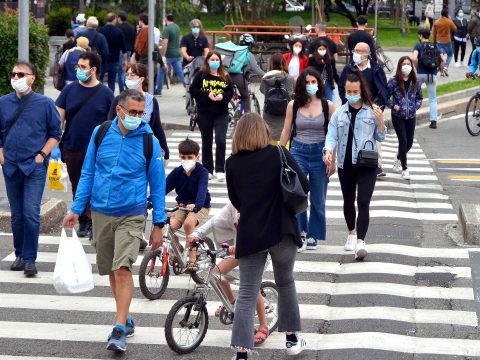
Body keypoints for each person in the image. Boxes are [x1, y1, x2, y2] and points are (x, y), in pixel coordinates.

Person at [63, 89, 167, 353]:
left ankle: (119, 328)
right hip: (100, 211)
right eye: (132, 112)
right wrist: (76, 209)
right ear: (119, 110)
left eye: (140, 113)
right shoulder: (100, 133)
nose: (137, 118)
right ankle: (126, 316)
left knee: (123, 268)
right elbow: (87, 172)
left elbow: (157, 183)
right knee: (111, 269)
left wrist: (158, 223)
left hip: (131, 213)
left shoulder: (149, 141)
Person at [226, 113, 309, 359]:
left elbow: (235, 200)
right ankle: (292, 340)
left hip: (251, 233)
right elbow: (303, 184)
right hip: (283, 229)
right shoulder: (278, 154)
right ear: (263, 132)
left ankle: (241, 352)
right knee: (286, 283)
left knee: (247, 293)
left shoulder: (232, 163)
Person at [0, 61, 61, 276]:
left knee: (31, 213)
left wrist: (42, 155)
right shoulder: (3, 103)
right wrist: (1, 154)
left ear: (32, 78)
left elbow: (55, 133)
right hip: (11, 165)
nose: (16, 78)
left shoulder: (44, 103)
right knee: (16, 215)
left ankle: (30, 259)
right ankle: (19, 254)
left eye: (20, 74)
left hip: (34, 166)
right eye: (13, 74)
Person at [188, 201, 271, 346]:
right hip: (239, 248)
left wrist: (239, 246)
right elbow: (215, 221)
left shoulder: (256, 206)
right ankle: (231, 303)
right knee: (216, 272)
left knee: (251, 286)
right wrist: (195, 234)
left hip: (260, 250)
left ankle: (263, 326)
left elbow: (259, 234)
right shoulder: (233, 207)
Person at [323, 71, 386, 261]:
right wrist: (327, 151)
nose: (352, 94)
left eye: (355, 91)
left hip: (367, 163)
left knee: (363, 202)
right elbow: (331, 135)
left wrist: (381, 120)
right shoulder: (340, 113)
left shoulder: (372, 110)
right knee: (348, 200)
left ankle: (361, 241)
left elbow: (380, 136)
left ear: (361, 90)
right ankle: (351, 232)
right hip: (345, 163)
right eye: (348, 91)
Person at [56, 51, 115, 238]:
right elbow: (59, 120)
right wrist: (55, 144)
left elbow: (111, 124)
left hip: (98, 149)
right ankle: (82, 219)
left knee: (97, 185)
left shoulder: (106, 94)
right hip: (73, 146)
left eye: (83, 67)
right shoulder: (69, 90)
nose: (78, 70)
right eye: (77, 67)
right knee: (77, 184)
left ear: (93, 69)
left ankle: (94, 220)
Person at [279, 67, 335, 251]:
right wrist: (279, 153)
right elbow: (286, 130)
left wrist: (332, 160)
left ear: (319, 83)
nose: (311, 85)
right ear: (301, 85)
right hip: (298, 151)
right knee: (298, 193)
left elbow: (333, 135)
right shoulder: (293, 105)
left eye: (314, 82)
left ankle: (314, 235)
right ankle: (300, 232)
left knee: (318, 197)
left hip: (321, 153)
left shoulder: (328, 106)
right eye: (307, 82)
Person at [339, 42, 388, 177]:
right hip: (352, 106)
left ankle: (376, 165)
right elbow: (341, 87)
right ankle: (352, 161)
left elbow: (383, 88)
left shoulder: (376, 69)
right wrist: (346, 102)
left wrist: (378, 106)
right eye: (355, 50)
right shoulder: (349, 68)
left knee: (372, 136)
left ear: (367, 54)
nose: (357, 54)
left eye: (360, 51)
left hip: (371, 108)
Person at [107, 63, 169, 163]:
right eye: (127, 74)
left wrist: (165, 153)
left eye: (132, 75)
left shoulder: (151, 101)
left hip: (144, 148)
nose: (128, 78)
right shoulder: (119, 99)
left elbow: (157, 128)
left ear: (141, 79)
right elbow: (110, 125)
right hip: (121, 148)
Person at [165, 138, 211, 273]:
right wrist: (150, 200)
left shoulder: (202, 172)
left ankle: (192, 259)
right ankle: (178, 247)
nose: (186, 159)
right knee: (168, 227)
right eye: (183, 157)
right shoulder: (177, 172)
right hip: (182, 205)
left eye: (190, 157)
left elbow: (202, 191)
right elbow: (163, 188)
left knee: (188, 224)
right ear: (179, 156)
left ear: (197, 157)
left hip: (200, 205)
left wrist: (196, 206)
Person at [190, 51, 234, 181]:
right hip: (205, 112)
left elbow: (231, 91)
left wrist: (223, 96)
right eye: (212, 59)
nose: (215, 62)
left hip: (221, 113)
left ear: (220, 62)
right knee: (207, 141)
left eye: (217, 59)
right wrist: (206, 94)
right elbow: (193, 90)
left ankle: (220, 169)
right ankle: (207, 168)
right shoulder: (201, 75)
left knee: (221, 140)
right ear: (207, 61)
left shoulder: (225, 75)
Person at [386, 56, 423, 180]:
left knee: (410, 142)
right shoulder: (393, 81)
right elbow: (385, 97)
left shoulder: (415, 81)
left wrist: (415, 107)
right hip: (398, 116)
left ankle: (398, 157)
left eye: (408, 64)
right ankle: (405, 168)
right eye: (404, 64)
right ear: (400, 66)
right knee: (403, 141)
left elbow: (419, 98)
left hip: (411, 116)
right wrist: (394, 106)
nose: (406, 66)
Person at [412, 27, 446, 129]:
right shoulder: (435, 46)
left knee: (412, 95)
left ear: (420, 36)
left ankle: (410, 118)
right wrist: (440, 68)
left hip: (420, 74)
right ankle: (433, 121)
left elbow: (414, 58)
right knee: (432, 98)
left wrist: (417, 68)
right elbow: (443, 60)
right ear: (429, 36)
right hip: (432, 75)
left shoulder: (418, 45)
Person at [259, 53, 295, 141]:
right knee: (285, 142)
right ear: (284, 63)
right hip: (285, 113)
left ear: (271, 63)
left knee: (269, 140)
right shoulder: (289, 78)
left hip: (269, 113)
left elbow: (262, 90)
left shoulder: (266, 78)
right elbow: (291, 94)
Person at [156, 14, 186, 96]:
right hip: (177, 54)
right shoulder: (177, 27)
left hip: (169, 54)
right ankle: (188, 88)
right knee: (180, 72)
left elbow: (165, 43)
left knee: (161, 71)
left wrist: (163, 55)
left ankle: (158, 90)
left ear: (166, 19)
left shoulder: (167, 29)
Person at [99, 13, 127, 92]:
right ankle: (111, 97)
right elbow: (123, 48)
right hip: (114, 60)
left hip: (102, 60)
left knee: (99, 79)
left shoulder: (100, 31)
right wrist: (125, 61)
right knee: (111, 80)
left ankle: (100, 94)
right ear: (114, 20)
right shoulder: (118, 32)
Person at [432, 9, 457, 74]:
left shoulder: (437, 22)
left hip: (439, 41)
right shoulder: (449, 21)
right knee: (450, 54)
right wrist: (450, 19)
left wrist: (434, 41)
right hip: (447, 41)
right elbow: (455, 28)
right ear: (447, 14)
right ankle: (446, 66)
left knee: (440, 55)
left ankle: (441, 70)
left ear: (441, 14)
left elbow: (434, 33)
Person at [117, 10, 136, 92]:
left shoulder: (118, 28)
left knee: (121, 71)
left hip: (121, 51)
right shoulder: (131, 28)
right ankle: (128, 87)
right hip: (129, 50)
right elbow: (134, 40)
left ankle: (122, 90)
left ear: (119, 18)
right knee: (128, 70)